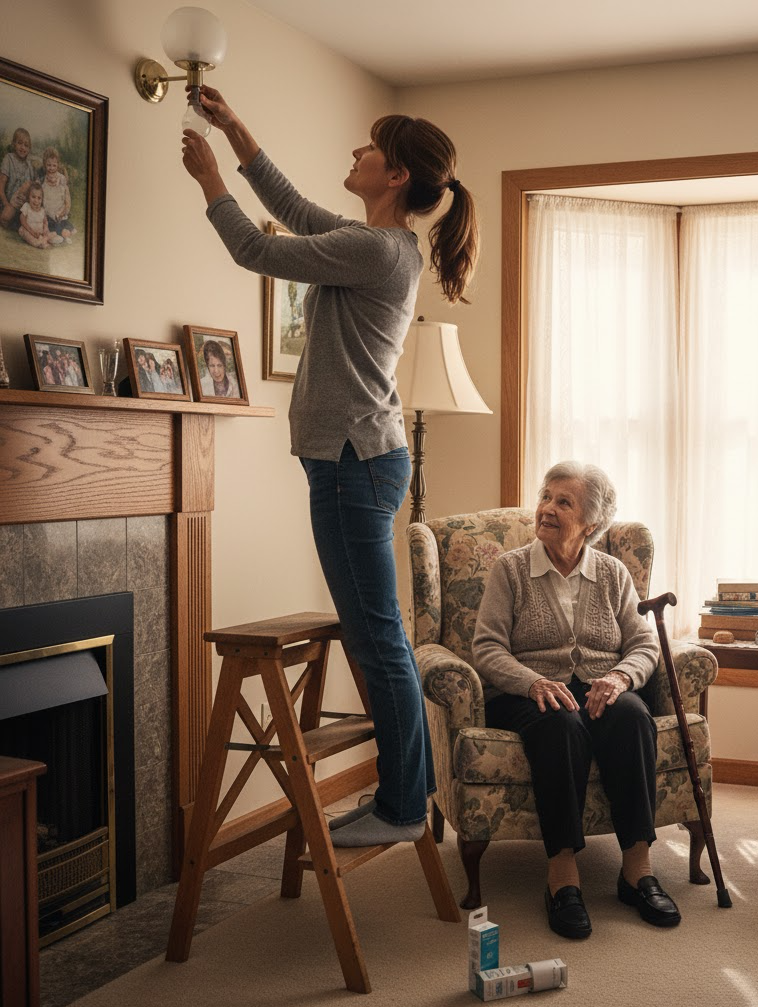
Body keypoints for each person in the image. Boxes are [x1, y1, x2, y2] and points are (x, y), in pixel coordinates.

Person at [180, 85, 479, 848]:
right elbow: (294, 207)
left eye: (368, 147)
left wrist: (212, 179)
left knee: (378, 639)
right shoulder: (376, 241)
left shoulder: (375, 249)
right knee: (377, 634)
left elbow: (257, 248)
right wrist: (238, 127)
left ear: (397, 176)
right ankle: (405, 800)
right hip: (357, 461)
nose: (355, 153)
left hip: (353, 464)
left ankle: (403, 806)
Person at [472, 461, 682, 939]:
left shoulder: (612, 573)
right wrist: (531, 682)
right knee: (559, 724)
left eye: (563, 502)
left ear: (591, 522)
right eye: (546, 496)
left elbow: (643, 644)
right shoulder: (510, 570)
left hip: (599, 683)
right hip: (526, 689)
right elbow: (486, 647)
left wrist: (621, 679)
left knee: (632, 716)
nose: (546, 508)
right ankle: (562, 877)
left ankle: (638, 870)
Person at [38, 147, 75, 243]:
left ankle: (63, 235)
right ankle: (56, 237)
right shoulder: (42, 180)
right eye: (48, 165)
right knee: (49, 226)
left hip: (59, 212)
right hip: (48, 214)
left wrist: (62, 212)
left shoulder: (61, 179)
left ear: (58, 165)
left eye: (54, 165)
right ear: (44, 165)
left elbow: (66, 197)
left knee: (62, 225)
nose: (51, 168)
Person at [1, 127, 34, 228]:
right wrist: (6, 204)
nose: (23, 147)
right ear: (13, 143)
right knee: (6, 216)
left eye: (26, 145)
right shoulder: (9, 158)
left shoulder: (29, 165)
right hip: (9, 203)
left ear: (29, 149)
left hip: (24, 206)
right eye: (20, 143)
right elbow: (1, 185)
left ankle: (17, 223)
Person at [18, 181, 58, 249]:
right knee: (26, 234)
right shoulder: (27, 206)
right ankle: (39, 243)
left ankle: (45, 239)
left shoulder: (42, 210)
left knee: (49, 233)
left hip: (40, 232)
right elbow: (22, 219)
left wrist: (45, 229)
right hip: (28, 231)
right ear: (28, 197)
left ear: (42, 200)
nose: (36, 200)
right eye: (33, 197)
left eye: (39, 198)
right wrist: (31, 232)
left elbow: (45, 221)